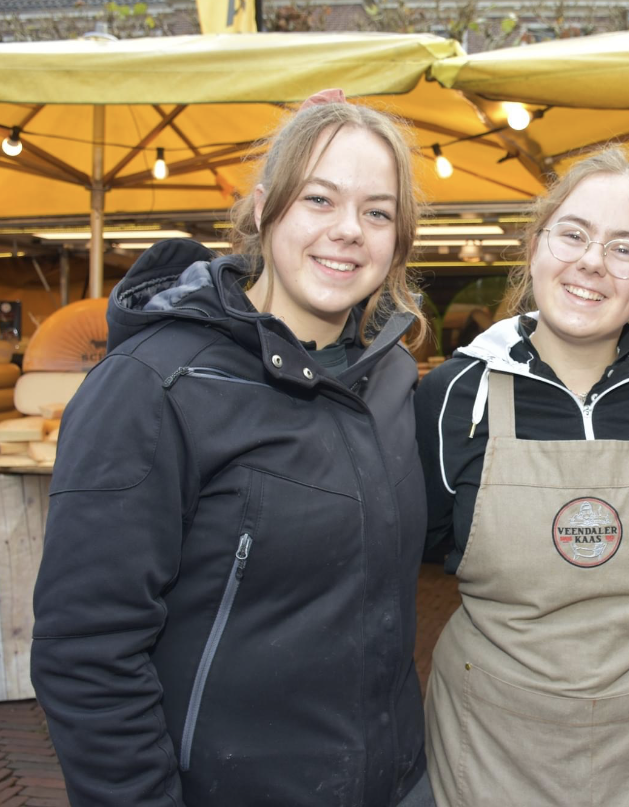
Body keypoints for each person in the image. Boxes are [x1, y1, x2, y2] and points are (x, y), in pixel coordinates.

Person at [30, 96, 434, 807]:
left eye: (377, 212)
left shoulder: (392, 377)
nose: (348, 230)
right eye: (318, 198)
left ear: (398, 239)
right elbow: (87, 655)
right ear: (261, 209)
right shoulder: (155, 383)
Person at [416, 147, 629, 807]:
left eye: (624, 248)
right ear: (535, 244)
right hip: (492, 748)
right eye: (574, 233)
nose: (591, 262)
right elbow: (425, 545)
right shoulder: (452, 396)